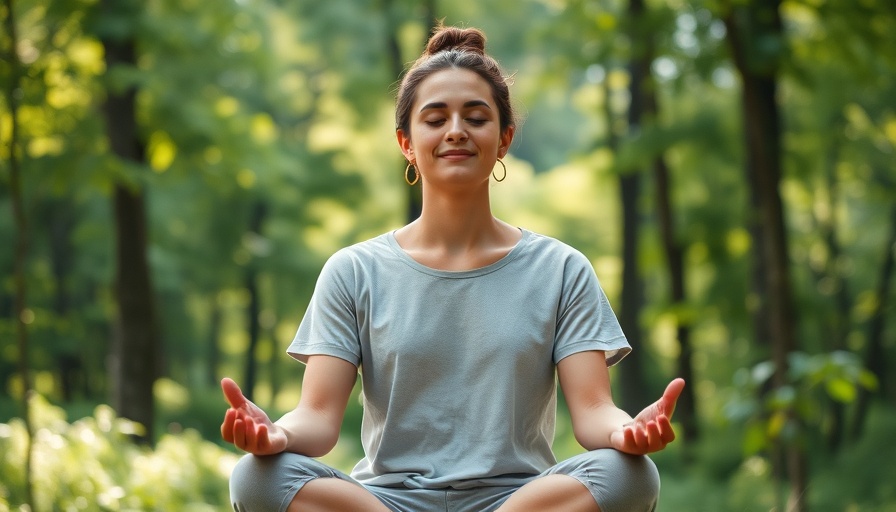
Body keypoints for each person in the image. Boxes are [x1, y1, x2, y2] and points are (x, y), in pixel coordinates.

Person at [221, 24, 685, 512]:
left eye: (476, 117)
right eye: (435, 118)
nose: (457, 131)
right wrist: (275, 434)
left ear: (504, 139)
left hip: (517, 502)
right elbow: (316, 419)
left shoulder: (561, 269)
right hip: (387, 503)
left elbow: (593, 413)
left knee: (628, 474)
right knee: (257, 477)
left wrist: (625, 431)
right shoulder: (353, 271)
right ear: (406, 141)